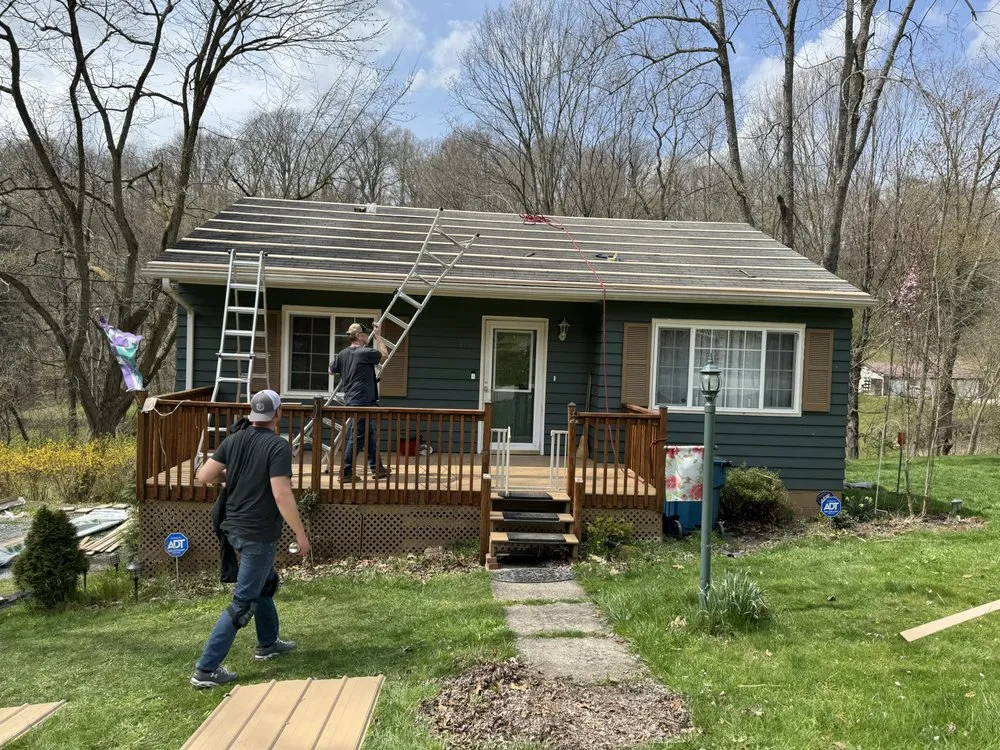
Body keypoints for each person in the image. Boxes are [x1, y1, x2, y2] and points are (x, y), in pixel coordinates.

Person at [189, 389, 311, 689]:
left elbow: (204, 476)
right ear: (277, 415)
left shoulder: (233, 440)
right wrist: (300, 533)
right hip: (257, 534)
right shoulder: (277, 447)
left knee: (265, 584)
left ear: (253, 413)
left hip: (232, 529)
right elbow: (281, 493)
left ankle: (267, 643)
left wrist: (232, 475)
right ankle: (206, 670)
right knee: (243, 603)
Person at [329, 322, 390, 481]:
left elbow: (330, 370)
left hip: (352, 400)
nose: (367, 336)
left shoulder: (342, 354)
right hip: (363, 402)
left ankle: (378, 469)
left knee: (367, 434)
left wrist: (346, 369)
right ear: (360, 336)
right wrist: (378, 336)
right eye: (366, 334)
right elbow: (385, 353)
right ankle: (345, 472)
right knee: (356, 437)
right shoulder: (364, 353)